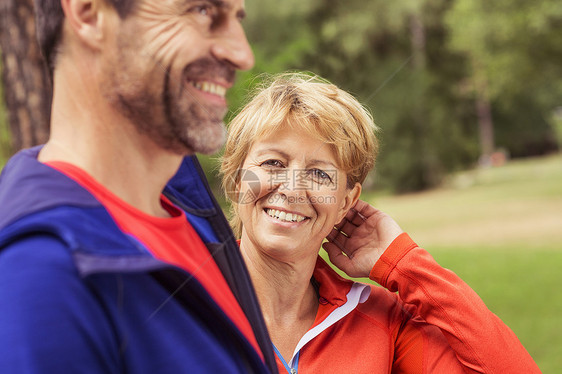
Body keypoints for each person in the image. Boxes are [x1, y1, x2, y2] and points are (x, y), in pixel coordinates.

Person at [0, 0, 278, 373]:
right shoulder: (42, 278)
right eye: (202, 11)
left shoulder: (186, 211)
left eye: (236, 18)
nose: (242, 54)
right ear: (88, 13)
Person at [220, 72, 541, 373]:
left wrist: (404, 262)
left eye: (319, 173)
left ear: (346, 200)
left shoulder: (382, 321)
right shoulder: (186, 295)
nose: (291, 190)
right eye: (273, 162)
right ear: (236, 179)